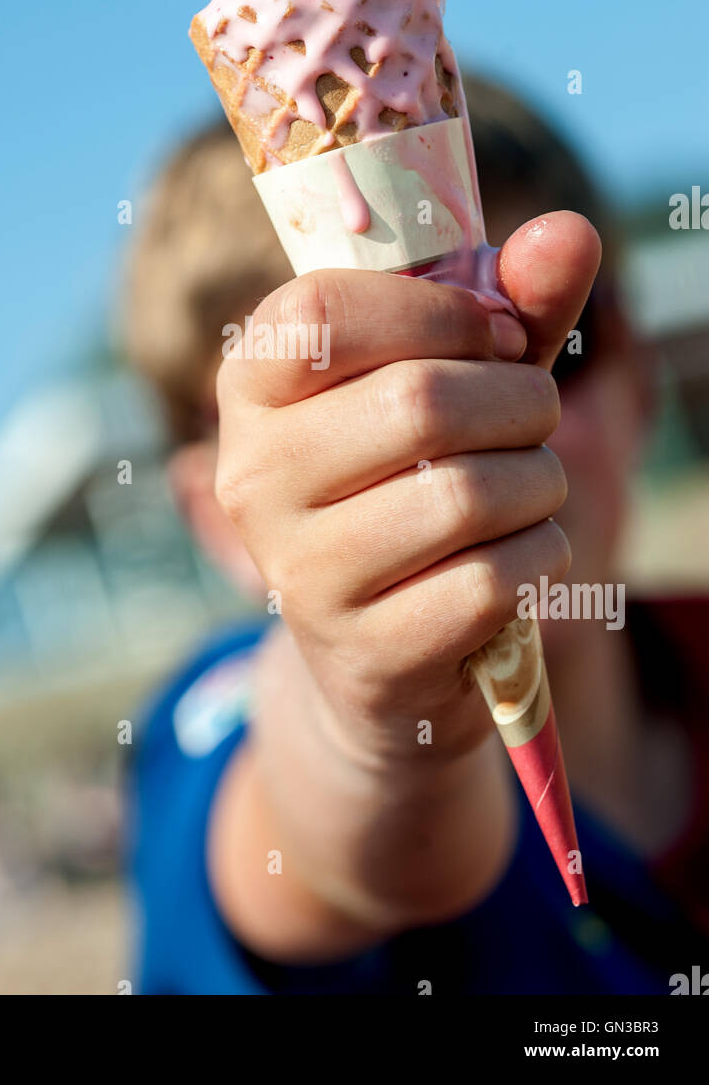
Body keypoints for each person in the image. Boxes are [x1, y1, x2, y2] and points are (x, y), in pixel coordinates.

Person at [123, 74, 709, 994]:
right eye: (350, 394)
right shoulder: (222, 714)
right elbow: (325, 825)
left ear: (637, 376)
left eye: (543, 337)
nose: (466, 423)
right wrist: (387, 733)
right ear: (217, 514)